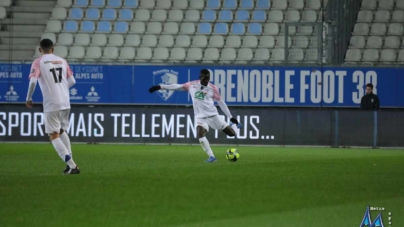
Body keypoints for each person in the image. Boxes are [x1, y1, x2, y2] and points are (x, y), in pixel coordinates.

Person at [148, 69, 242, 163]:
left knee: (232, 134)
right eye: (205, 78)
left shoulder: (213, 88)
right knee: (200, 133)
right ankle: (212, 157)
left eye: (208, 78)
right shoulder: (192, 85)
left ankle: (234, 125)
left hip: (213, 115)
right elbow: (177, 86)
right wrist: (160, 86)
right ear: (200, 77)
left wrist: (230, 117)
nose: (207, 81)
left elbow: (221, 102)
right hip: (200, 117)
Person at [26, 39, 80, 174]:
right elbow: (72, 80)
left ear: (40, 50)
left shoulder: (38, 62)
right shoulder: (62, 60)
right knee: (61, 131)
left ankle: (72, 166)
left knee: (54, 136)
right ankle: (69, 165)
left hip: (52, 102)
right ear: (53, 49)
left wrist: (28, 98)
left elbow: (33, 81)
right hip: (65, 102)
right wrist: (62, 89)